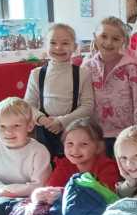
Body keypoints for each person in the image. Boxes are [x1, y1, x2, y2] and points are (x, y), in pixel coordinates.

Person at [24, 23, 93, 158]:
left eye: (65, 43)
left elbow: (88, 106)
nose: (58, 47)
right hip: (44, 130)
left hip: (73, 131)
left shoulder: (83, 74)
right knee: (46, 164)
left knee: (71, 165)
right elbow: (28, 105)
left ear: (75, 47)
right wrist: (43, 120)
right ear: (45, 45)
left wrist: (62, 122)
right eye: (53, 43)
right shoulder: (36, 74)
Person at [84, 16, 137, 155]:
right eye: (103, 36)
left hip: (125, 133)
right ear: (95, 37)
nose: (108, 42)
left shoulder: (131, 68)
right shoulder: (87, 67)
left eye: (115, 39)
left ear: (124, 41)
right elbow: (83, 100)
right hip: (96, 133)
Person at [0, 97, 52, 197]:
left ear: (30, 126)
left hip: (29, 198)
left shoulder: (39, 151)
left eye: (16, 125)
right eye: (2, 126)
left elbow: (38, 185)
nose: (8, 132)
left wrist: (5, 190)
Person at [31, 119, 120, 206]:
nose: (75, 150)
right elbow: (52, 188)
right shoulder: (64, 164)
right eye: (70, 143)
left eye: (84, 144)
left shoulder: (106, 166)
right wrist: (42, 193)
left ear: (98, 147)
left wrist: (61, 193)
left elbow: (105, 196)